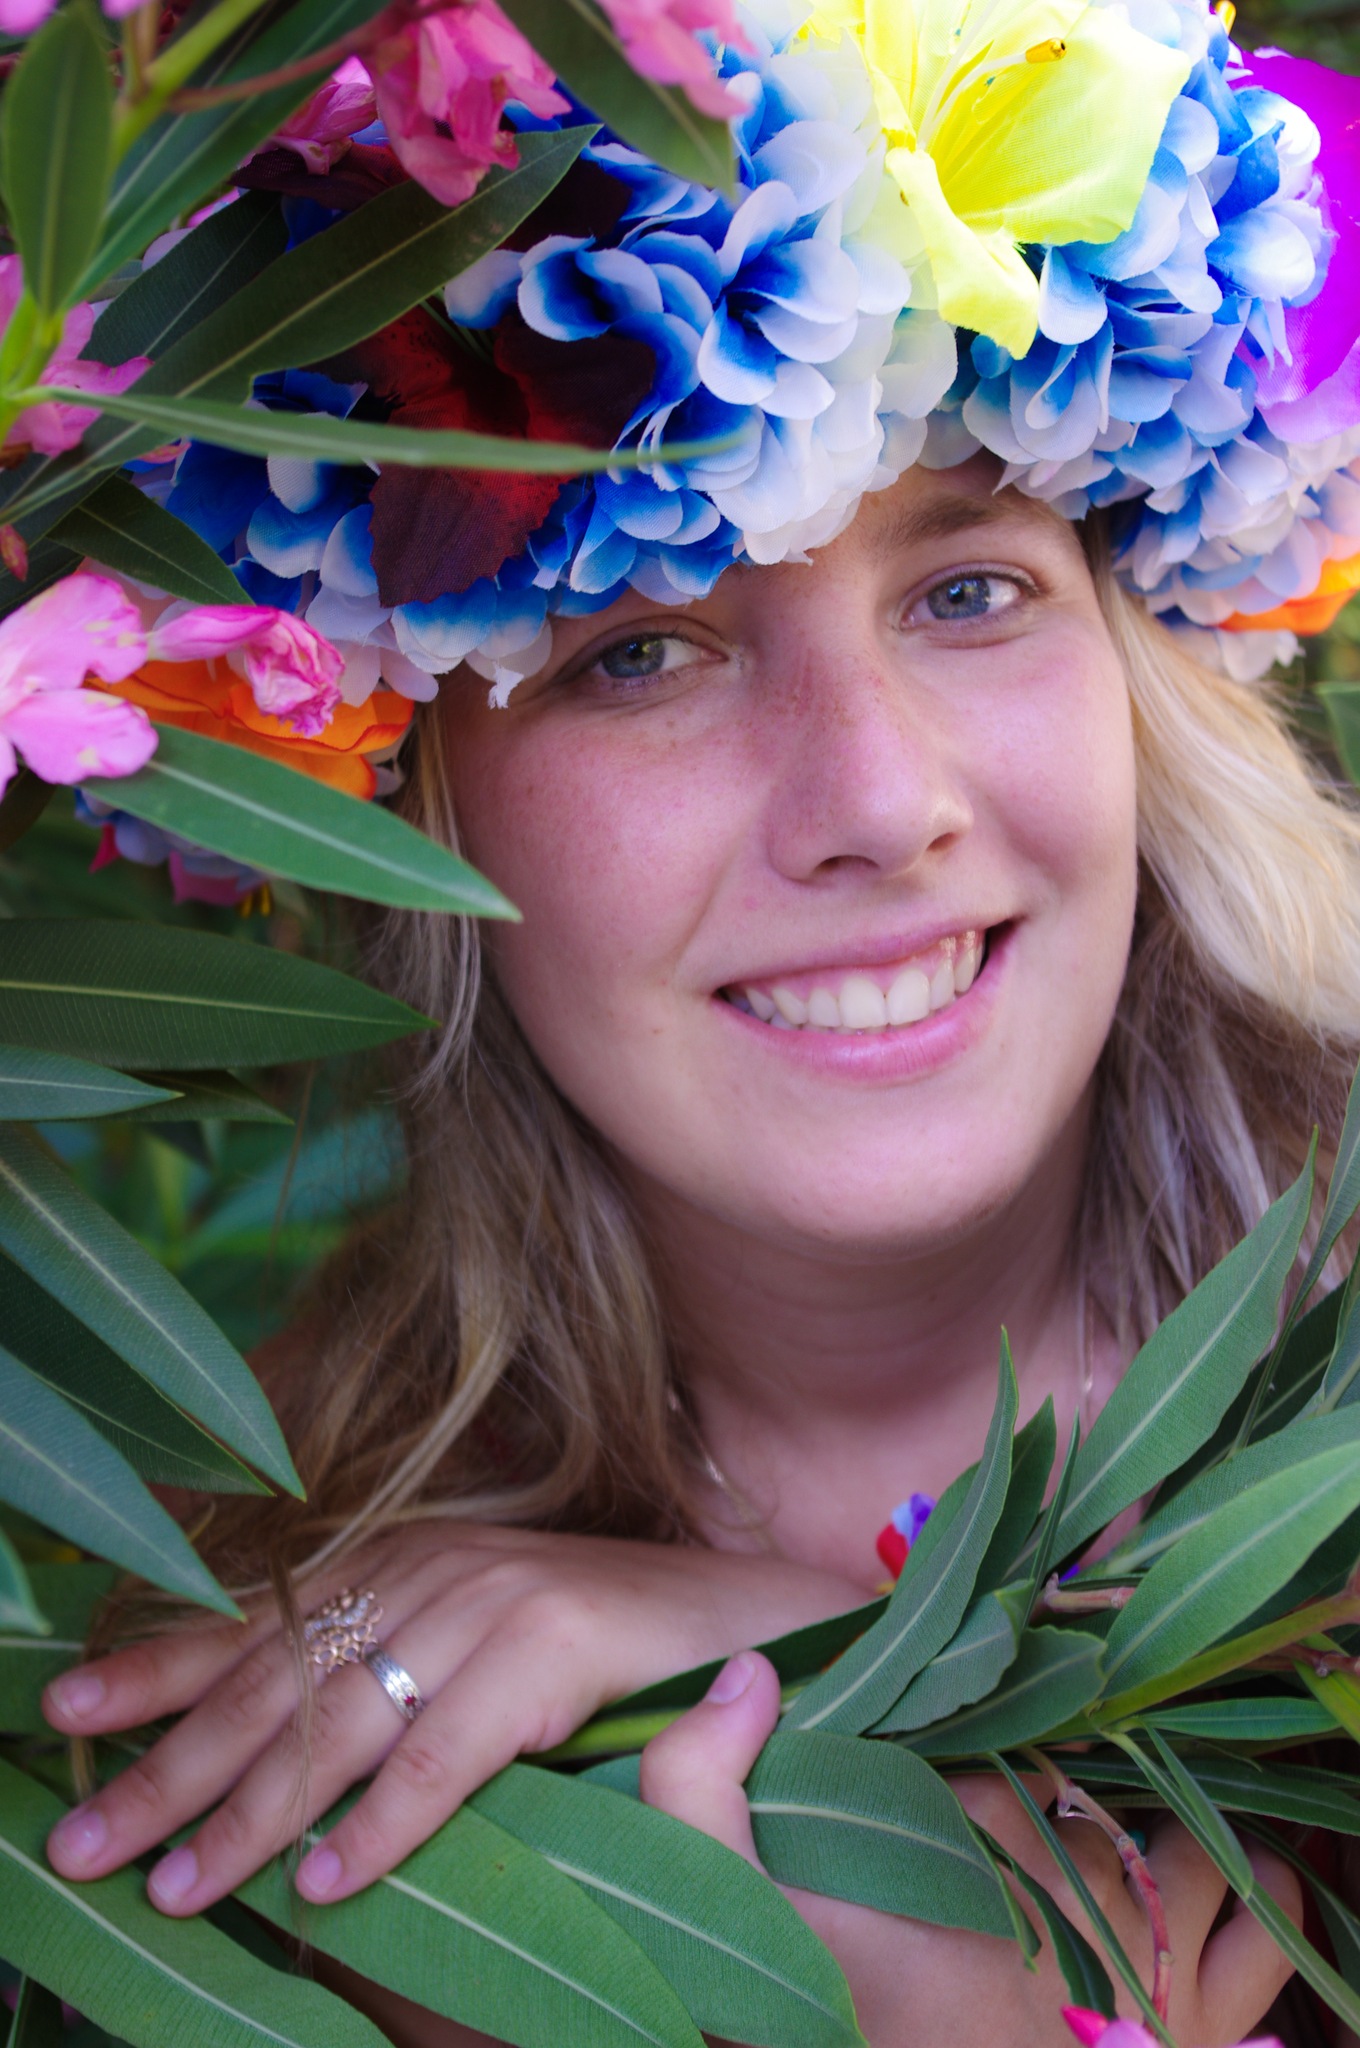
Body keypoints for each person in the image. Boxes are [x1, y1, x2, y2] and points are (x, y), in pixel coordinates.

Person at [33, 2, 1360, 2042]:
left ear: (1136, 678)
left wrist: (782, 1656)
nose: (876, 803)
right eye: (639, 650)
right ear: (410, 809)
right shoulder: (295, 1634)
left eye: (967, 592)